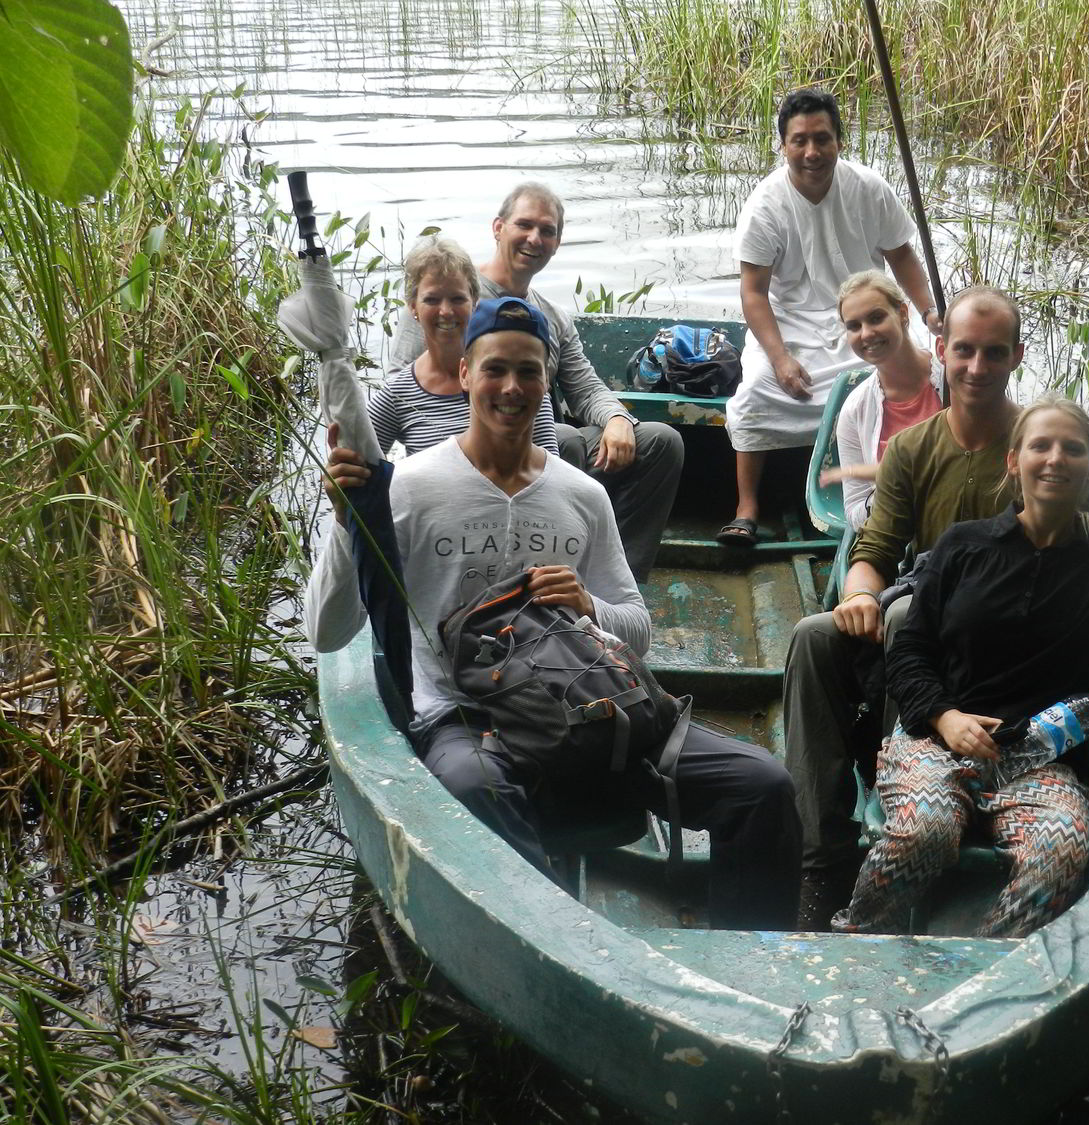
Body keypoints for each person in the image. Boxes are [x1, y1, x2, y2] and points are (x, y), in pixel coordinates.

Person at [310, 297, 800, 930]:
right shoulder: (408, 488)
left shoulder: (581, 494)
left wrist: (587, 605)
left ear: (548, 382)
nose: (512, 388)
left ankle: (756, 962)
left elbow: (638, 630)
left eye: (529, 371)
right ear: (464, 374)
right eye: (495, 369)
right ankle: (553, 946)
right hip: (469, 714)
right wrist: (351, 522)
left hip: (589, 708)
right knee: (471, 789)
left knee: (762, 785)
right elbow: (327, 631)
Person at [833, 321, 1089, 936]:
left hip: (1040, 762)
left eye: (1073, 449)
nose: (1056, 459)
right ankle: (861, 938)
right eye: (1041, 446)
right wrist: (945, 718)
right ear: (1013, 461)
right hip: (937, 745)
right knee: (925, 830)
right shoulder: (964, 548)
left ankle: (992, 961)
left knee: (1059, 851)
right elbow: (909, 652)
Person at [784, 285, 1089, 930]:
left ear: (1015, 357)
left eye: (993, 354)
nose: (976, 368)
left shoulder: (1041, 446)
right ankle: (820, 850)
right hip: (924, 602)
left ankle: (909, 798)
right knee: (813, 636)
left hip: (999, 633)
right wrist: (857, 592)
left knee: (906, 622)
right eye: (964, 351)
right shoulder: (915, 448)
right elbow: (877, 542)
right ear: (942, 350)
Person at [389, 184, 683, 581]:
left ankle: (617, 582)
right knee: (566, 438)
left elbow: (584, 386)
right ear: (498, 228)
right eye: (524, 225)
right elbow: (407, 385)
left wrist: (616, 419)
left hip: (536, 436)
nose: (534, 239)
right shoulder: (451, 297)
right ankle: (542, 566)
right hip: (474, 444)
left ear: (557, 243)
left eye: (546, 231)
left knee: (661, 442)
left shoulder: (553, 316)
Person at [719, 89, 943, 547]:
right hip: (790, 322)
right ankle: (747, 508)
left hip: (860, 317)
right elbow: (754, 293)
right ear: (782, 145)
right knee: (758, 390)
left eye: (822, 139)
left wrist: (929, 311)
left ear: (839, 141)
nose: (812, 152)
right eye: (799, 140)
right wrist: (780, 358)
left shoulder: (867, 187)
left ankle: (896, 486)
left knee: (912, 376)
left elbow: (902, 256)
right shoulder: (766, 204)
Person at [371, 235, 559, 456]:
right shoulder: (398, 392)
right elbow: (361, 465)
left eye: (457, 299)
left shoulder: (514, 380)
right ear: (413, 307)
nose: (446, 311)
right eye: (432, 300)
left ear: (474, 302)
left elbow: (548, 466)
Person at [818, 270, 943, 531]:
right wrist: (895, 494)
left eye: (876, 318)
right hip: (899, 534)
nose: (866, 334)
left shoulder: (954, 377)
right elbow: (854, 510)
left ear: (903, 313)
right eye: (854, 326)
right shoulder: (854, 410)